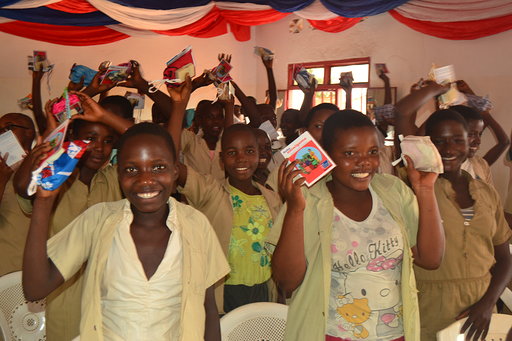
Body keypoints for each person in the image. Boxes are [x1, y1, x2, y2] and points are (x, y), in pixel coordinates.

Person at [22, 122, 229, 341]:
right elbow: (36, 289)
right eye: (131, 169)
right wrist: (43, 204)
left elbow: (209, 311)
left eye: (158, 167)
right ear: (118, 174)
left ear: (175, 171)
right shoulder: (98, 220)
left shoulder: (196, 224)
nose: (146, 180)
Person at [268, 110, 444, 341]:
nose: (364, 162)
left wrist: (424, 190)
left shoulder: (393, 191)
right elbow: (286, 282)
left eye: (372, 152)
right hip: (331, 334)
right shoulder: (308, 200)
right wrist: (294, 209)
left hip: (394, 334)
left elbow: (431, 259)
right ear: (327, 155)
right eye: (349, 153)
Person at [14, 94, 132, 341]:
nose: (99, 147)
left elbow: (147, 139)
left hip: (111, 297)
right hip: (64, 294)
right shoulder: (57, 182)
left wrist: (103, 114)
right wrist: (49, 137)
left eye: (108, 141)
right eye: (90, 138)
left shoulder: (114, 178)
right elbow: (24, 187)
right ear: (72, 140)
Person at [415, 109, 512, 341]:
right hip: (430, 307)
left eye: (458, 140)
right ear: (427, 145)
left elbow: (505, 258)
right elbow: (402, 117)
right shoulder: (415, 191)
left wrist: (487, 304)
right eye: (438, 141)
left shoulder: (486, 193)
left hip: (482, 307)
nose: (448, 149)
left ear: (470, 142)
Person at [0, 113, 36, 277]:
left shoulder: (41, 167)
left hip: (31, 268)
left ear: (29, 132)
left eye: (7, 128)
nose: (2, 134)